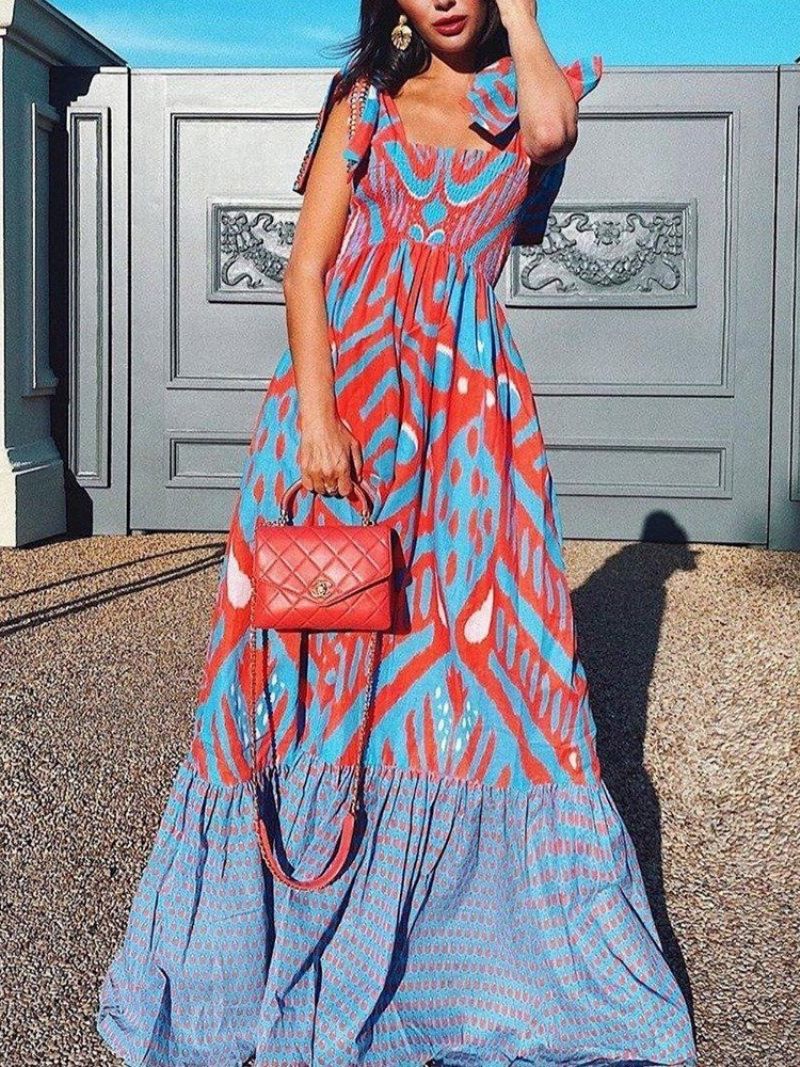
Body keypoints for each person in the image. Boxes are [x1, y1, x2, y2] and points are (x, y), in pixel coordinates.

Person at [96, 2, 699, 1065]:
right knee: (319, 660)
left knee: (494, 676)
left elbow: (552, 129)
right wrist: (317, 419)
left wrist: (522, 20)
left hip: (473, 434)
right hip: (346, 418)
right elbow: (305, 270)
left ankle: (468, 956)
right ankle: (277, 929)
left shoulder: (527, 100)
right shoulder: (363, 102)